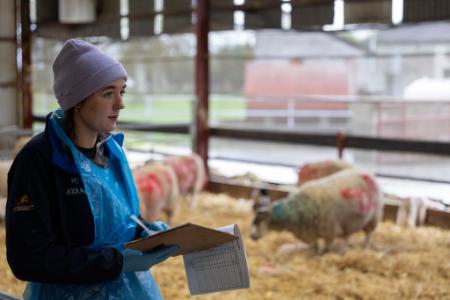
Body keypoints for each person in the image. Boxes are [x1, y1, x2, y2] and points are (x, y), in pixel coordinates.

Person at [5, 39, 178, 299]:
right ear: (77, 99)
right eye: (108, 93)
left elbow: (120, 219)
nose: (120, 103)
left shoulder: (111, 152)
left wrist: (145, 231)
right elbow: (28, 258)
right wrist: (116, 261)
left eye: (122, 91)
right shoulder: (38, 161)